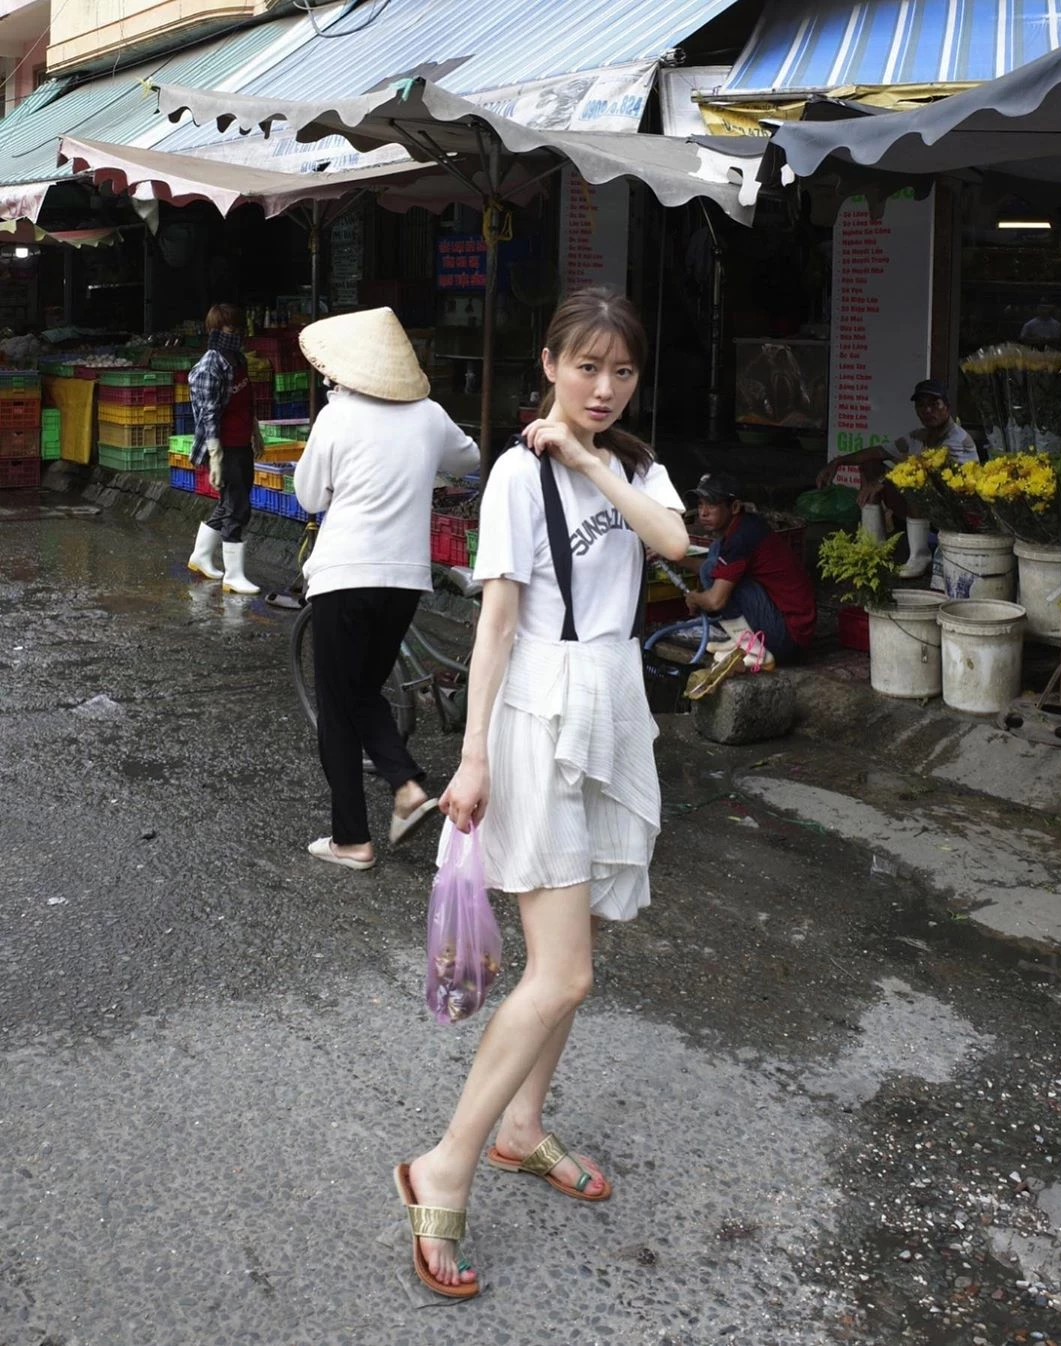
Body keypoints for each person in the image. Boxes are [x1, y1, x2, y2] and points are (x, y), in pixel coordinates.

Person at [392, 288, 688, 1300]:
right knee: (560, 974)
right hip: (535, 715)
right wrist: (471, 755)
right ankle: (446, 1161)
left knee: (578, 959)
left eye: (623, 370)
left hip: (612, 704)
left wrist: (593, 458)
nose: (603, 387)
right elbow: (499, 619)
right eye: (587, 366)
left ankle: (522, 1127)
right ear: (551, 362)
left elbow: (677, 547)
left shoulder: (635, 466)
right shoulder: (515, 473)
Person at [293, 307, 479, 871]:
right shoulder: (428, 414)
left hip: (344, 577)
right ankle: (403, 785)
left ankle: (353, 838)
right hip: (403, 581)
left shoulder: (337, 418)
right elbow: (467, 458)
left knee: (338, 706)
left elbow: (307, 497)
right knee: (360, 692)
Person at [816, 377, 978, 578]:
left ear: (947, 407)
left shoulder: (957, 439)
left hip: (956, 512)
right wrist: (838, 462)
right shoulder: (918, 436)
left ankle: (920, 556)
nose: (927, 411)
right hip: (929, 507)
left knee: (916, 482)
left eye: (934, 404)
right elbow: (879, 451)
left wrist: (881, 481)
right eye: (921, 405)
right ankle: (874, 546)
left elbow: (923, 468)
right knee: (871, 465)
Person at [684, 473, 816, 662]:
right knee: (714, 555)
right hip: (784, 624)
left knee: (712, 568)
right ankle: (742, 638)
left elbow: (715, 602)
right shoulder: (741, 528)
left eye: (711, 505)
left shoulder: (742, 538)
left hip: (788, 637)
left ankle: (754, 649)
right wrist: (673, 557)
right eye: (700, 505)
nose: (703, 513)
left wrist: (694, 598)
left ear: (735, 507)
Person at [186, 302, 263, 595]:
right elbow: (208, 414)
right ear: (217, 331)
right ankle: (234, 575)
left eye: (239, 328)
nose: (238, 333)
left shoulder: (237, 359)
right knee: (237, 508)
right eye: (232, 328)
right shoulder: (210, 365)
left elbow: (246, 402)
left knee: (230, 502)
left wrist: (255, 432)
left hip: (241, 442)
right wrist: (215, 456)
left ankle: (201, 557)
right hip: (224, 447)